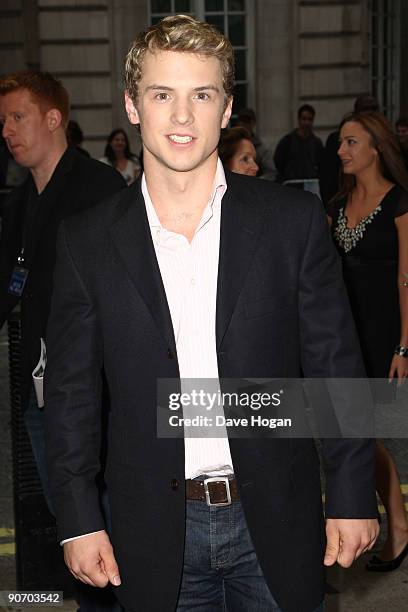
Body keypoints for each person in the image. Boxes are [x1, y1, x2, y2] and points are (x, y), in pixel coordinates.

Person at [44, 15, 379, 612]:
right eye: (161, 94)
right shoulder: (86, 242)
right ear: (132, 105)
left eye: (201, 95)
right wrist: (77, 518)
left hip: (274, 518)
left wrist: (353, 492)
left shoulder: (291, 224)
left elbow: (336, 368)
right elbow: (72, 396)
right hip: (147, 531)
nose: (181, 116)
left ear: (226, 110)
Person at [0, 70, 126, 609]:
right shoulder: (20, 200)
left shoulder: (99, 188)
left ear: (54, 119)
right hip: (42, 387)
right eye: (2, 120)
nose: (6, 130)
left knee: (108, 518)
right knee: (69, 518)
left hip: (96, 390)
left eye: (17, 117)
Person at [327, 111, 408, 572]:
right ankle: (393, 524)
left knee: (365, 433)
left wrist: (403, 346)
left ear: (376, 149)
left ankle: (396, 526)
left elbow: (406, 279)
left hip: (382, 334)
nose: (342, 151)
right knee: (354, 430)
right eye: (341, 142)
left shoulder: (399, 202)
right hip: (343, 334)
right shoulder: (337, 204)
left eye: (351, 142)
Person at [320, 95, 379, 208]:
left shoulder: (383, 139)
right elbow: (327, 176)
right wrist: (331, 206)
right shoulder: (335, 140)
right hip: (344, 200)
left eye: (372, 109)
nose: (369, 114)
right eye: (365, 110)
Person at [274, 104, 323, 186]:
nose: (306, 122)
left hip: (311, 186)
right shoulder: (287, 141)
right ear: (298, 119)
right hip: (291, 187)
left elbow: (321, 165)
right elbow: (278, 164)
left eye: (309, 119)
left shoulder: (317, 143)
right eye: (304, 119)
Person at [235, 108, 276, 180]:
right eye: (242, 121)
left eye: (247, 121)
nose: (244, 124)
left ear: (253, 123)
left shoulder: (262, 147)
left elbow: (270, 172)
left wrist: (255, 183)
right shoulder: (229, 143)